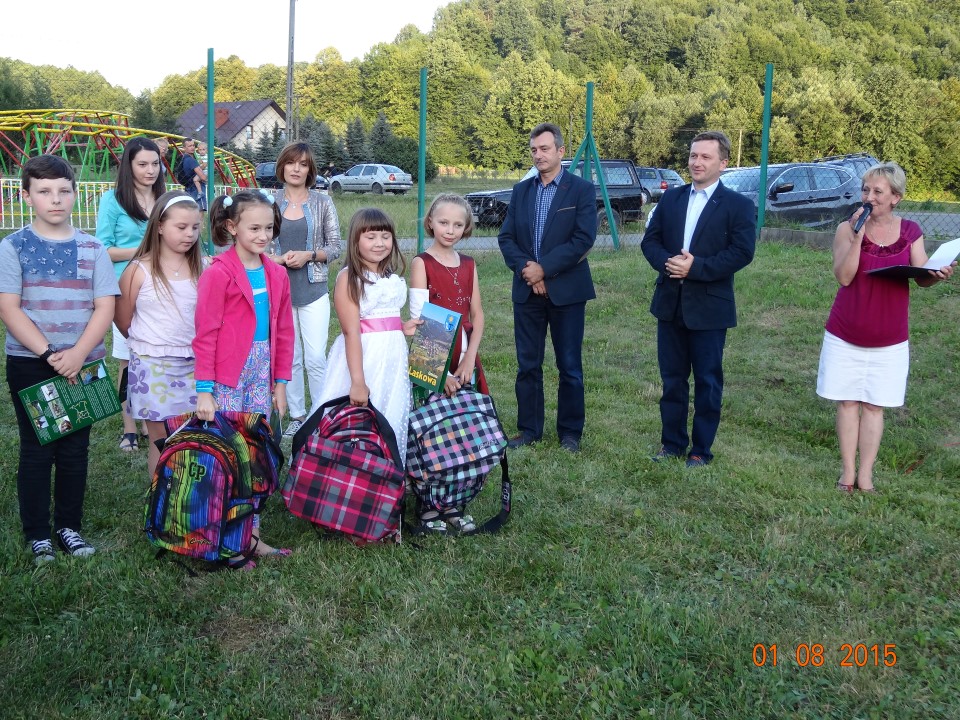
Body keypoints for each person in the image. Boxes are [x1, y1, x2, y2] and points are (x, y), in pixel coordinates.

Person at [0, 155, 119, 564]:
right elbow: (9, 308)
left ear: (74, 194)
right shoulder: (12, 247)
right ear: (26, 196)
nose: (56, 199)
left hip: (83, 364)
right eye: (45, 191)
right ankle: (38, 533)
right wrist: (50, 354)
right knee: (38, 448)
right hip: (31, 362)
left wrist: (78, 354)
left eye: (64, 191)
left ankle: (69, 527)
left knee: (74, 448)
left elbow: (104, 306)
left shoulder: (93, 248)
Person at [817, 162, 955, 493]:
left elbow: (921, 277)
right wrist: (857, 236)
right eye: (865, 190)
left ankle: (866, 474)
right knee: (847, 402)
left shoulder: (911, 232)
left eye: (878, 192)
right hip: (845, 332)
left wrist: (936, 275)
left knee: (874, 406)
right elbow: (844, 277)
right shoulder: (846, 229)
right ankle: (847, 472)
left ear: (895, 197)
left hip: (889, 338)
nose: (869, 197)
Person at [640, 130, 756, 468]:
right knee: (672, 380)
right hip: (670, 303)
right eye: (693, 155)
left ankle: (700, 450)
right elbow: (651, 241)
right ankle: (672, 444)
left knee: (707, 381)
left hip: (709, 307)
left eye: (705, 156)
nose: (697, 162)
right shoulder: (671, 199)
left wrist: (696, 268)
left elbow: (742, 252)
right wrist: (669, 263)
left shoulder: (738, 206)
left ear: (723, 163)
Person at [193, 189, 294, 562]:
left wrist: (280, 384)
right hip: (226, 379)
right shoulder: (218, 273)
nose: (263, 236)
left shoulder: (277, 274)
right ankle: (220, 536)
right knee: (227, 455)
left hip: (261, 373)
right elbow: (205, 334)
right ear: (232, 227)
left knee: (254, 454)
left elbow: (284, 332)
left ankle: (250, 536)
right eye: (254, 228)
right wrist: (205, 390)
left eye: (269, 228)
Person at [497, 122, 597, 454]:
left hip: (567, 292)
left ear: (560, 151)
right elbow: (506, 238)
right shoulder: (521, 190)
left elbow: (583, 239)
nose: (538, 155)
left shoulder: (581, 190)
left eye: (544, 149)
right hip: (527, 291)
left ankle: (570, 433)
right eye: (534, 150)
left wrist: (545, 269)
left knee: (569, 366)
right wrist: (530, 271)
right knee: (528, 364)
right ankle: (529, 429)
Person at [409, 193, 488, 533]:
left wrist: (469, 359)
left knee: (462, 430)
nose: (450, 230)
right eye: (443, 222)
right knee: (434, 431)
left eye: (458, 224)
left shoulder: (469, 264)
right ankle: (429, 507)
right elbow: (420, 318)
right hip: (432, 354)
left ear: (466, 228)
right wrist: (441, 375)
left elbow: (477, 314)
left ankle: (453, 502)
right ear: (430, 222)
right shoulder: (422, 263)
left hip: (464, 355)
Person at [314, 208, 418, 453]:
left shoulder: (389, 277)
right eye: (371, 237)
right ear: (355, 241)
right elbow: (351, 332)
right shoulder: (349, 278)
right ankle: (348, 466)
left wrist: (401, 326)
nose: (379, 243)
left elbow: (381, 318)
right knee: (356, 418)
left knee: (390, 409)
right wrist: (358, 382)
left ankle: (386, 465)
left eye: (385, 236)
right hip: (364, 358)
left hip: (392, 358)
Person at [115, 191, 203, 476]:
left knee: (192, 436)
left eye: (195, 227)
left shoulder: (205, 267)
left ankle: (188, 494)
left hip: (195, 366)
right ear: (160, 226)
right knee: (161, 439)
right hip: (152, 366)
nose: (189, 234)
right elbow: (123, 319)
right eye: (181, 227)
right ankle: (160, 497)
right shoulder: (138, 270)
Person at [265, 142, 342, 438]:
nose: (296, 169)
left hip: (313, 290)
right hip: (279, 291)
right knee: (291, 357)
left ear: (310, 170)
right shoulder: (269, 202)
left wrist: (309, 255)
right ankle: (297, 415)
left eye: (303, 164)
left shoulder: (323, 203)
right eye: (291, 163)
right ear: (282, 166)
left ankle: (321, 415)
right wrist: (276, 259)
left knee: (316, 357)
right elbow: (256, 244)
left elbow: (335, 247)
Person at [96, 137, 166, 452]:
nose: (150, 170)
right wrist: (145, 249)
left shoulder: (166, 198)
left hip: (163, 287)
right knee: (128, 358)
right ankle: (129, 428)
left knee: (158, 356)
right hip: (125, 288)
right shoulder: (113, 200)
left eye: (155, 163)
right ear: (129, 165)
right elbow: (103, 248)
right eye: (142, 164)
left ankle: (155, 420)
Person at [178, 138, 208, 211]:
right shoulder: (191, 160)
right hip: (196, 189)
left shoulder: (184, 159)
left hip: (188, 188)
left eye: (193, 145)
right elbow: (203, 177)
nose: (192, 147)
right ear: (184, 148)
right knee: (199, 212)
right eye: (189, 146)